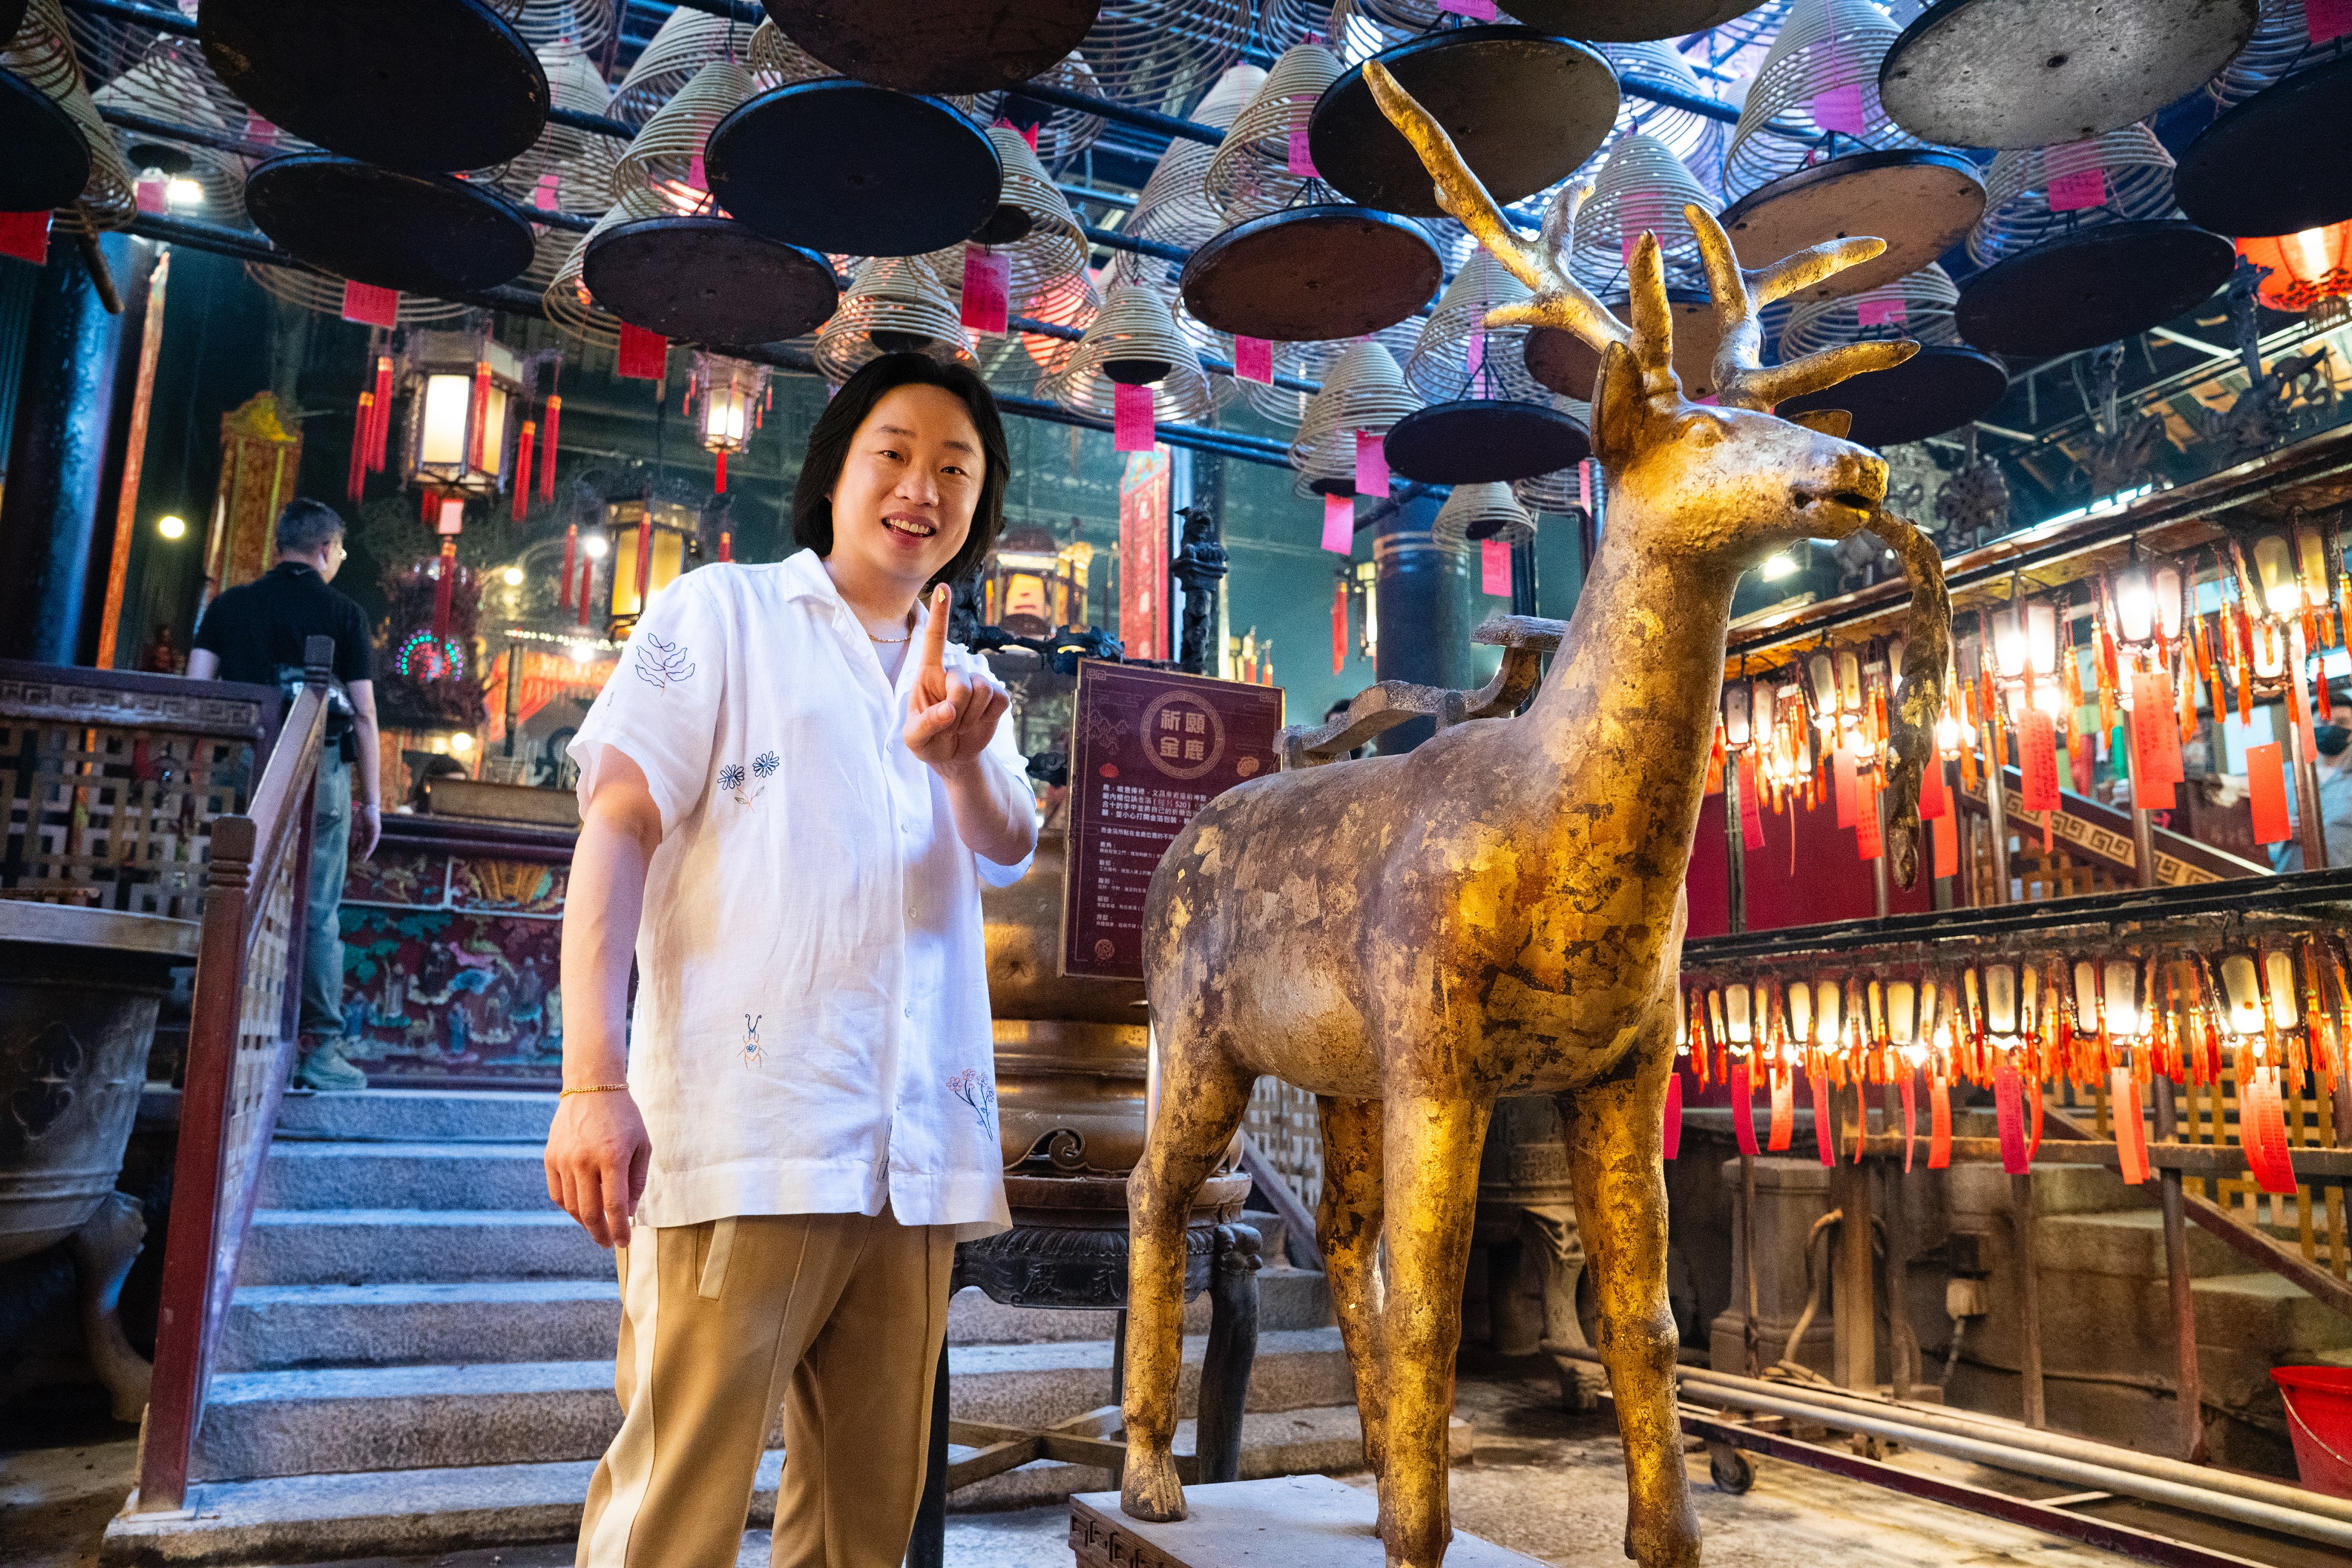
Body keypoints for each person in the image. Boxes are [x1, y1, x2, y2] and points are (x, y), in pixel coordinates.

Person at [545, 352, 1037, 1568]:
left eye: (955, 469)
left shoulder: (970, 685)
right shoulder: (723, 612)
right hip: (750, 1132)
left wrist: (959, 756)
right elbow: (616, 821)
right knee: (674, 1509)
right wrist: (591, 1079)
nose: (923, 486)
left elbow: (1012, 839)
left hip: (912, 1158)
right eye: (897, 453)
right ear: (833, 475)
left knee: (865, 1526)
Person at [188, 498, 383, 1092]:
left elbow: (196, 693)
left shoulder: (229, 606)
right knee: (316, 908)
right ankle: (318, 1053)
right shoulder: (344, 613)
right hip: (318, 775)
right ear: (324, 549)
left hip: (239, 772)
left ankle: (211, 1036)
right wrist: (372, 800)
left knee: (225, 895)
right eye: (341, 550)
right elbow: (367, 715)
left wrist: (197, 780)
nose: (340, 559)